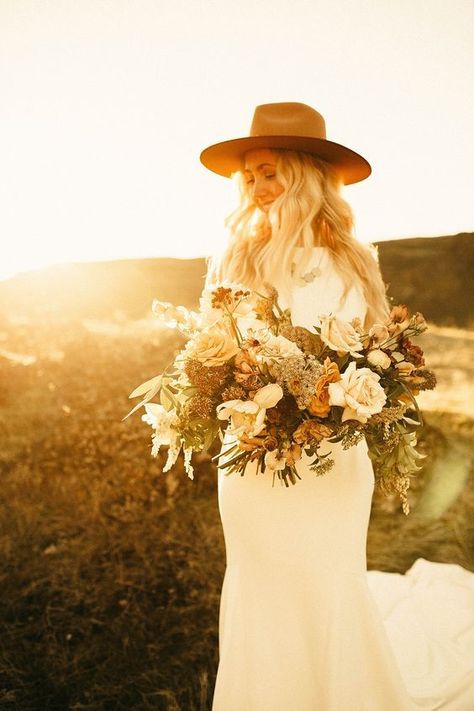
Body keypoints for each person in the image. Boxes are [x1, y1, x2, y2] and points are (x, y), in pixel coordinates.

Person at [198, 103, 474, 711]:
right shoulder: (233, 258)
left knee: (325, 587)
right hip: (246, 457)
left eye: (270, 171)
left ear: (304, 173)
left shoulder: (348, 259)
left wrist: (308, 397)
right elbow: (212, 344)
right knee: (259, 587)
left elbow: (349, 359)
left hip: (326, 459)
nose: (259, 188)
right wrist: (221, 384)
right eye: (250, 178)